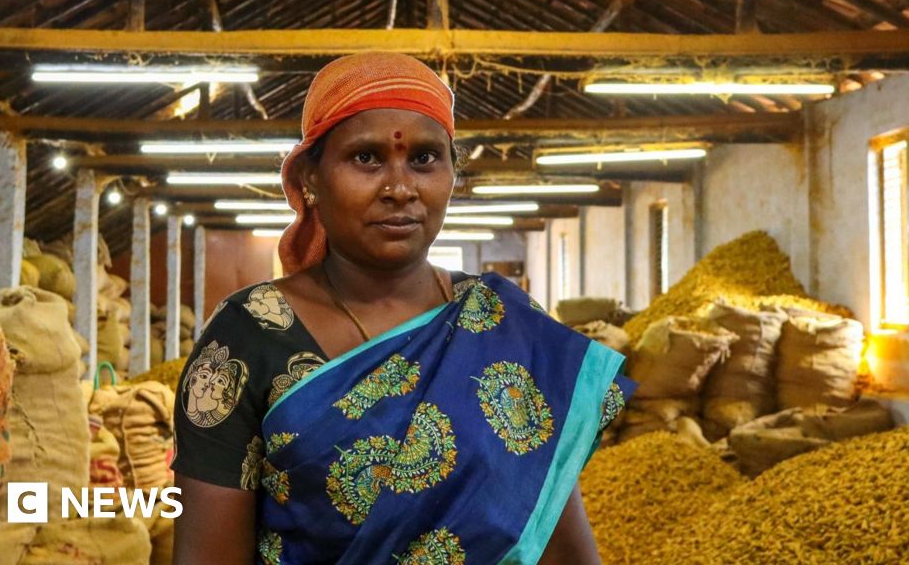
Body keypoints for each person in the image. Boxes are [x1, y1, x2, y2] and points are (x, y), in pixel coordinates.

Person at [171, 52, 633, 565]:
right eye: (366, 158)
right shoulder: (247, 337)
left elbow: (555, 532)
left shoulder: (506, 322)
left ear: (453, 173)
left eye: (425, 158)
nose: (399, 189)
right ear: (309, 179)